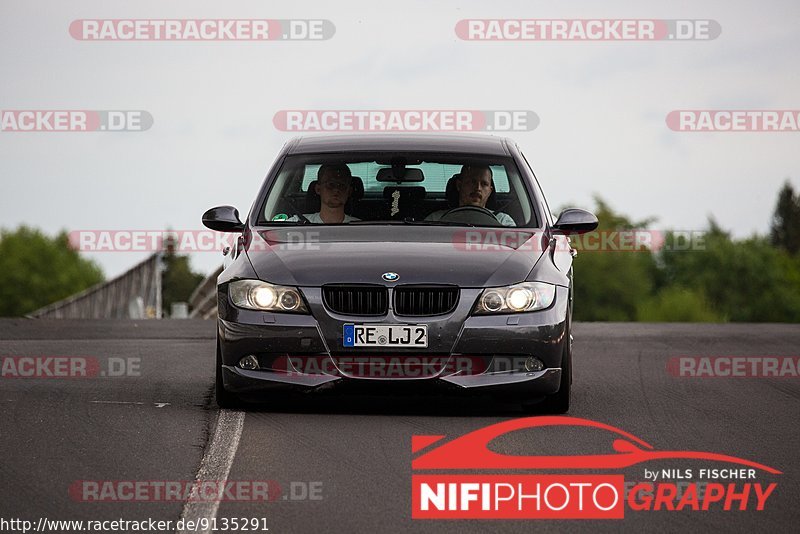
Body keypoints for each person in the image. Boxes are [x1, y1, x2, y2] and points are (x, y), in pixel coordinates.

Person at [425, 165, 515, 226]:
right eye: (472, 182)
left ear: (490, 191)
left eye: (484, 184)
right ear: (459, 185)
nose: (478, 188)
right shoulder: (435, 220)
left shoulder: (503, 221)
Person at [289, 164, 360, 223]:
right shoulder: (297, 223)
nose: (336, 190)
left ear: (349, 191)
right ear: (318, 189)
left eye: (341, 185)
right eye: (330, 184)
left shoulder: (361, 228)